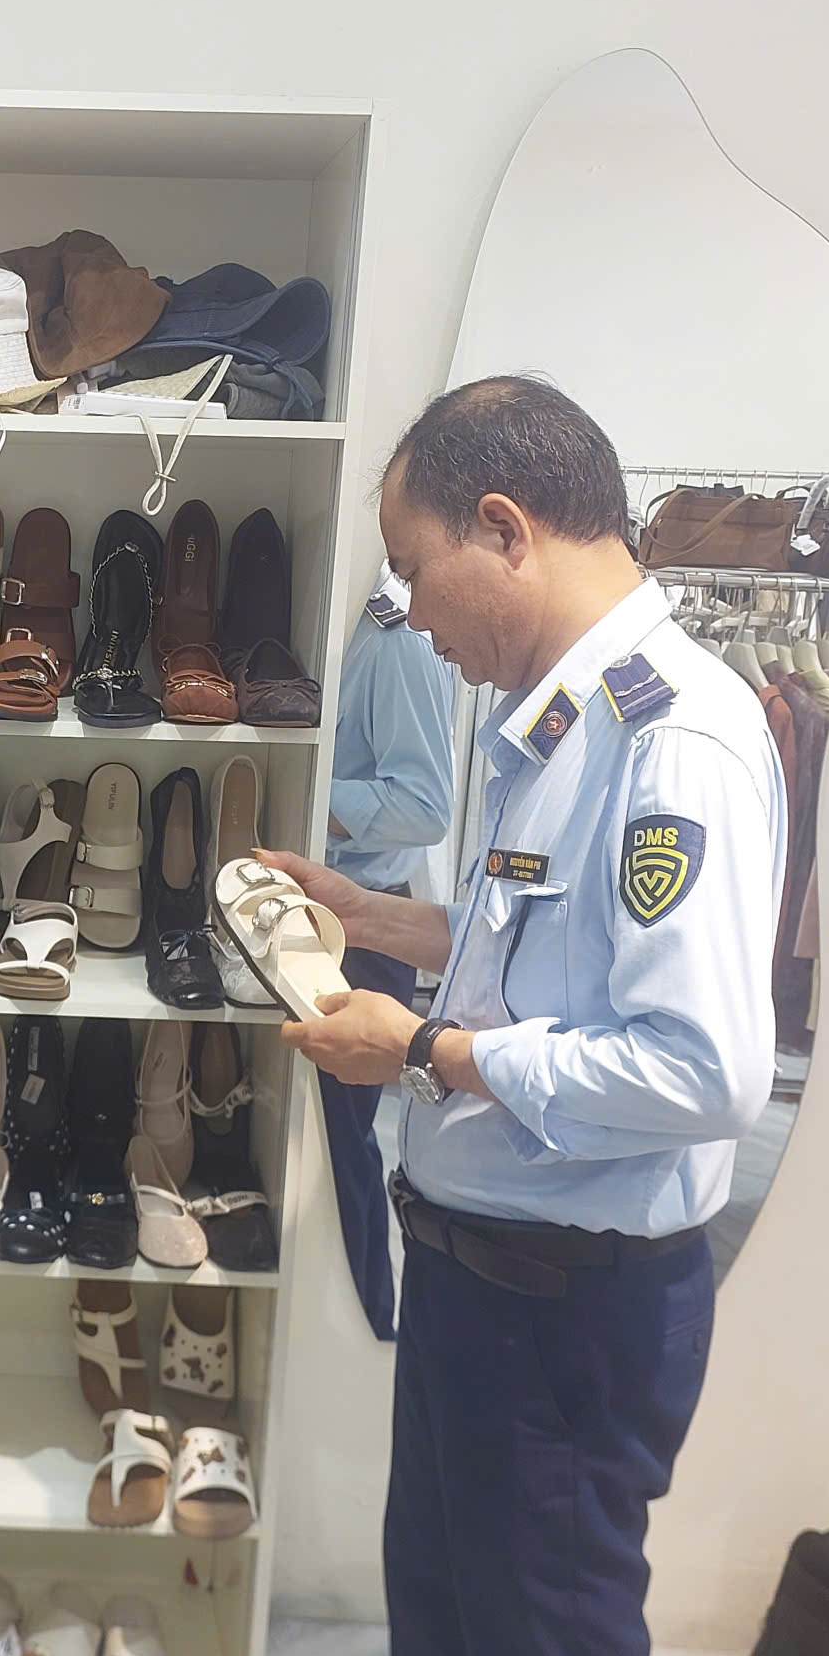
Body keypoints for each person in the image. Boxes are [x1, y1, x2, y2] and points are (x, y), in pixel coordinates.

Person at [261, 377, 784, 1656]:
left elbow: (700, 1070)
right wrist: (371, 920)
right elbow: (525, 957)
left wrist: (422, 1054)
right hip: (483, 1277)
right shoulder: (549, 720)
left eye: (417, 572)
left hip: (574, 1306)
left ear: (506, 529)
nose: (409, 614)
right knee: (447, 1599)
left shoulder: (675, 741)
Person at [319, 569, 458, 1338]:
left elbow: (425, 806)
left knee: (339, 1151)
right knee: (317, 1144)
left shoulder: (394, 637)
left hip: (361, 930)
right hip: (318, 914)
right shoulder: (331, 610)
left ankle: (369, 1328)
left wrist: (311, 795)